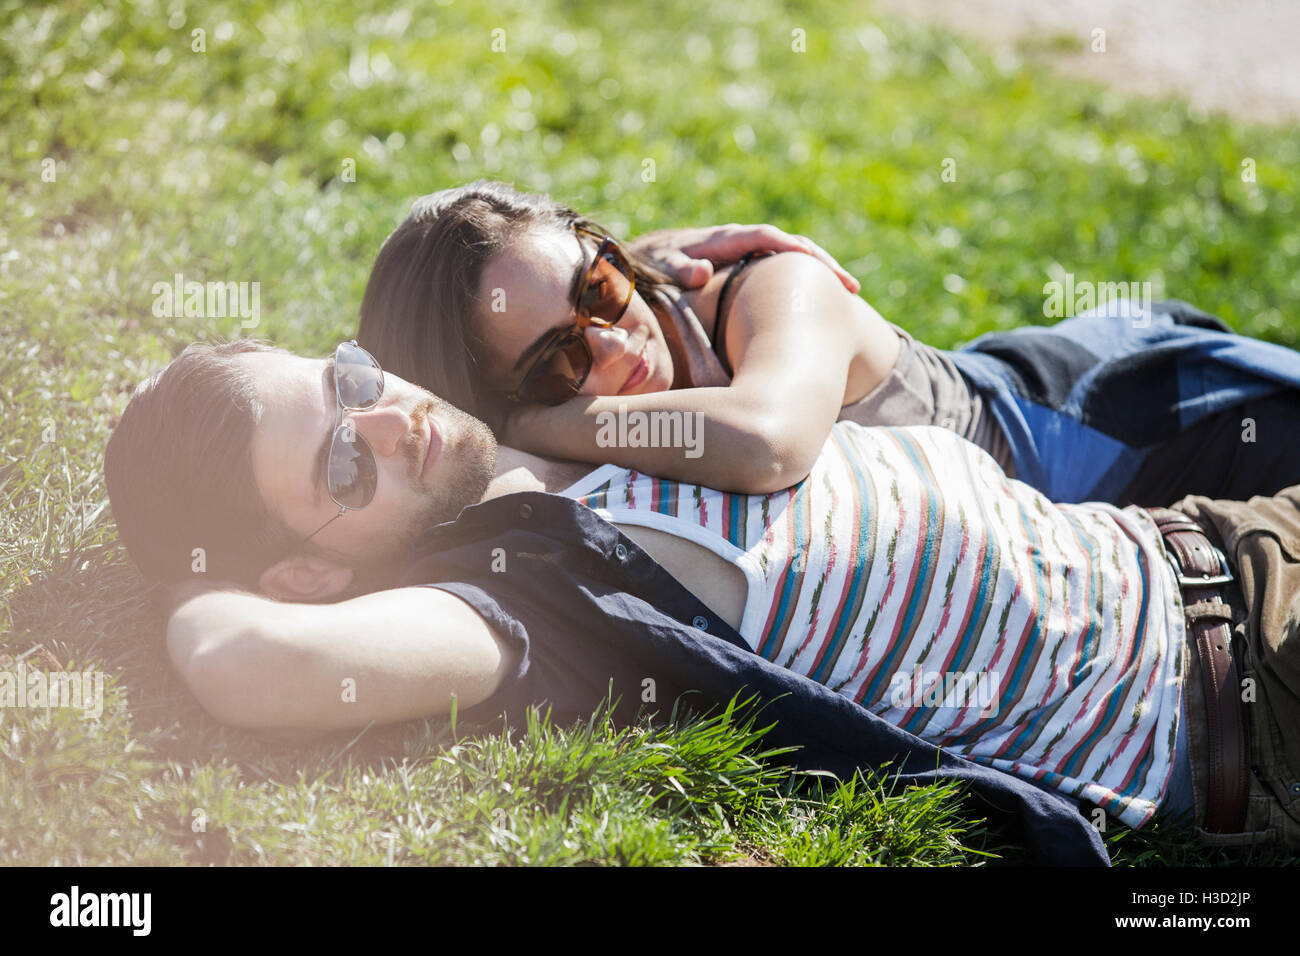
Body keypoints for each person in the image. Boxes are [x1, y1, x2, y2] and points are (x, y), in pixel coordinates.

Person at [102, 337, 1300, 865]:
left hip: (1205, 536)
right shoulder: (525, 597)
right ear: (310, 569)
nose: (383, 415)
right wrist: (193, 578)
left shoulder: (549, 425)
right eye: (342, 464)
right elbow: (242, 662)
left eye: (346, 379)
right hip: (1239, 686)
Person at [357, 180, 1300, 504]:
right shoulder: (598, 395)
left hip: (1145, 428)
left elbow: (767, 443)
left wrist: (534, 415)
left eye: (601, 284)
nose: (614, 343)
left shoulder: (773, 288)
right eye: (560, 358)